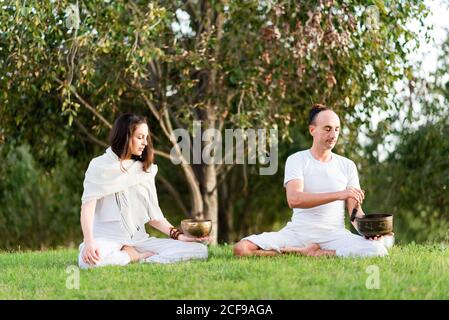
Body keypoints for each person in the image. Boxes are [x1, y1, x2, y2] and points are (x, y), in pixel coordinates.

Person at [234, 104, 393, 258]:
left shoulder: (347, 165)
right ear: (312, 130)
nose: (333, 135)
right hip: (297, 233)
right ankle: (296, 251)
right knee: (242, 248)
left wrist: (370, 231)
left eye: (337, 129)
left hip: (334, 235)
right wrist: (339, 194)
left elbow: (354, 214)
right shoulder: (297, 160)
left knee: (378, 249)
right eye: (327, 129)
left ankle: (318, 253)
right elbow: (294, 199)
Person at [78, 113, 209, 269]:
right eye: (140, 137)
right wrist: (89, 242)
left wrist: (179, 235)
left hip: (139, 240)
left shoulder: (144, 169)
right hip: (106, 239)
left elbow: (154, 216)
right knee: (88, 263)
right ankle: (131, 256)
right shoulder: (99, 166)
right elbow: (87, 207)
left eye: (146, 138)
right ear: (125, 136)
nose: (145, 143)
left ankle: (140, 258)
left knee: (200, 251)